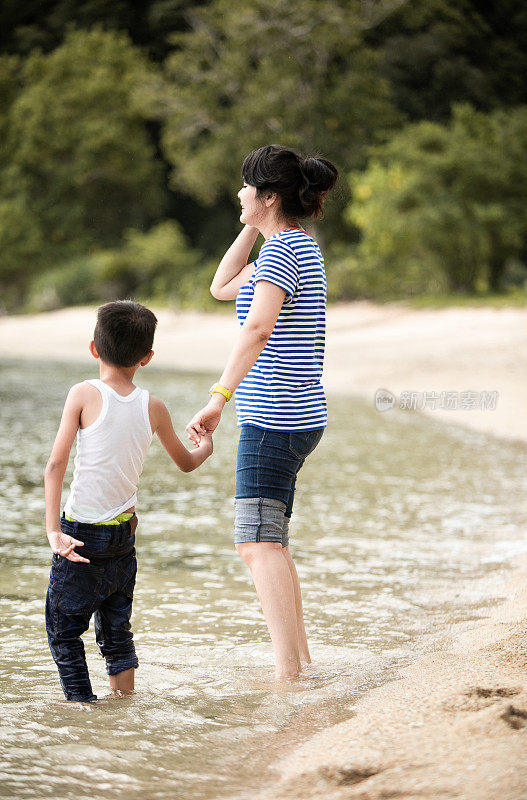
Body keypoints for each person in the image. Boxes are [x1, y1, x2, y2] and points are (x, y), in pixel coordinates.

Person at [186, 144, 338, 680]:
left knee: (255, 542)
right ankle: (300, 662)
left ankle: (287, 676)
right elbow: (221, 287)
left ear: (269, 195)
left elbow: (256, 329)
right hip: (297, 415)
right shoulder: (293, 247)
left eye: (246, 189)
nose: (238, 194)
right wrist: (252, 224)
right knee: (271, 541)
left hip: (274, 417)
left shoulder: (281, 255)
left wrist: (217, 399)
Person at [45, 300, 213, 702]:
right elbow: (187, 464)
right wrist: (206, 444)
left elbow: (55, 465)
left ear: (93, 349)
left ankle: (85, 712)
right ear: (147, 358)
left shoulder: (83, 394)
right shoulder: (153, 407)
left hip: (79, 536)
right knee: (116, 631)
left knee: (64, 631)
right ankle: (124, 707)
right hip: (123, 537)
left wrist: (52, 530)